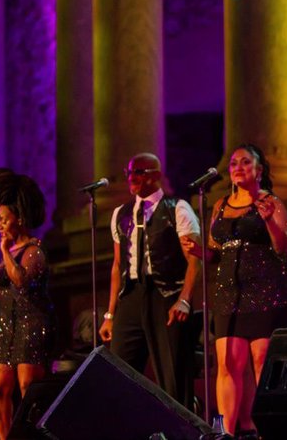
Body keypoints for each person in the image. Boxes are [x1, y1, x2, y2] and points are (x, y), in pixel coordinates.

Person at [184, 144, 287, 438]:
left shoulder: (272, 202)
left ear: (259, 170)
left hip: (265, 289)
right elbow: (216, 251)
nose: (238, 167)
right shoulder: (220, 205)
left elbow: (285, 249)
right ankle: (226, 433)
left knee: (261, 362)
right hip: (229, 292)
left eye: (246, 162)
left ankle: (266, 429)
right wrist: (200, 252)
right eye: (233, 163)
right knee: (227, 364)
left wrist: (269, 220)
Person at [98, 152, 201, 410]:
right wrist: (110, 314)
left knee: (171, 375)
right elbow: (117, 265)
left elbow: (194, 260)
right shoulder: (121, 214)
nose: (132, 178)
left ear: (155, 175)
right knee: (120, 372)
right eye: (129, 172)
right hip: (131, 295)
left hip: (165, 296)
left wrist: (184, 300)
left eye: (139, 172)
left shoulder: (177, 208)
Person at [0, 168, 55, 440]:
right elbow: (7, 291)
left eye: (3, 219)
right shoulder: (14, 250)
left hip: (31, 327)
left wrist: (4, 251)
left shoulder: (33, 251)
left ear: (19, 218)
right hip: (6, 329)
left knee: (28, 389)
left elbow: (21, 283)